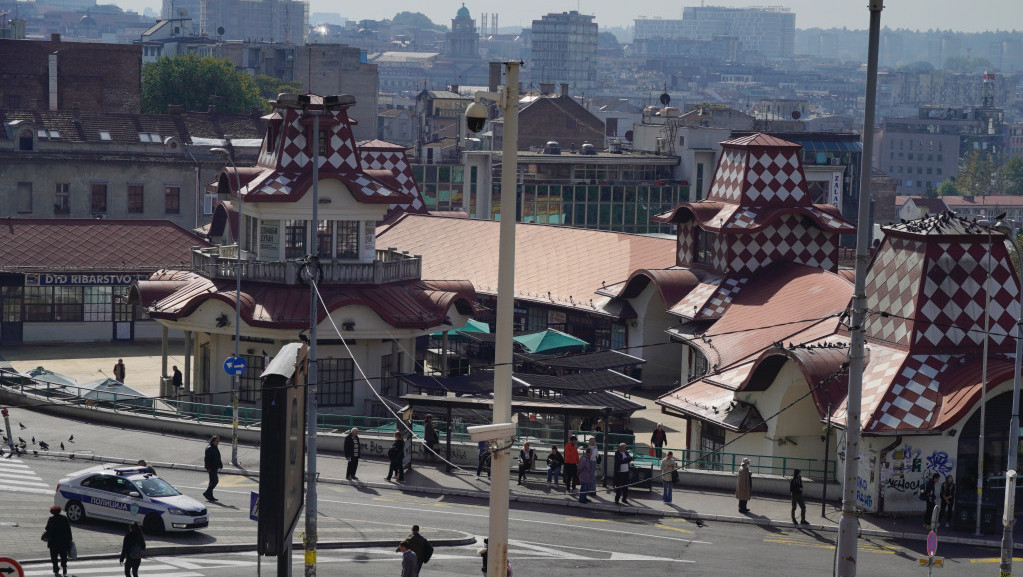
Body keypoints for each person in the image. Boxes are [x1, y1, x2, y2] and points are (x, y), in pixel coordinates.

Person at [44, 504, 73, 577]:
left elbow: (47, 529)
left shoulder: (51, 519)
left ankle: (56, 569)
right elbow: (68, 530)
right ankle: (64, 567)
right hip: (63, 542)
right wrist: (70, 540)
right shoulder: (64, 518)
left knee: (54, 557)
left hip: (53, 542)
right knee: (64, 556)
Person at [203, 435, 222, 502]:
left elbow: (217, 457)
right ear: (213, 441)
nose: (218, 442)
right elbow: (207, 459)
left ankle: (210, 496)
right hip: (211, 468)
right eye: (216, 441)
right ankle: (207, 493)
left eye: (218, 441)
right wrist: (208, 468)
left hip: (215, 467)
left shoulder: (214, 447)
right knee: (215, 481)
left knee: (211, 482)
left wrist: (220, 464)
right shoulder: (210, 448)